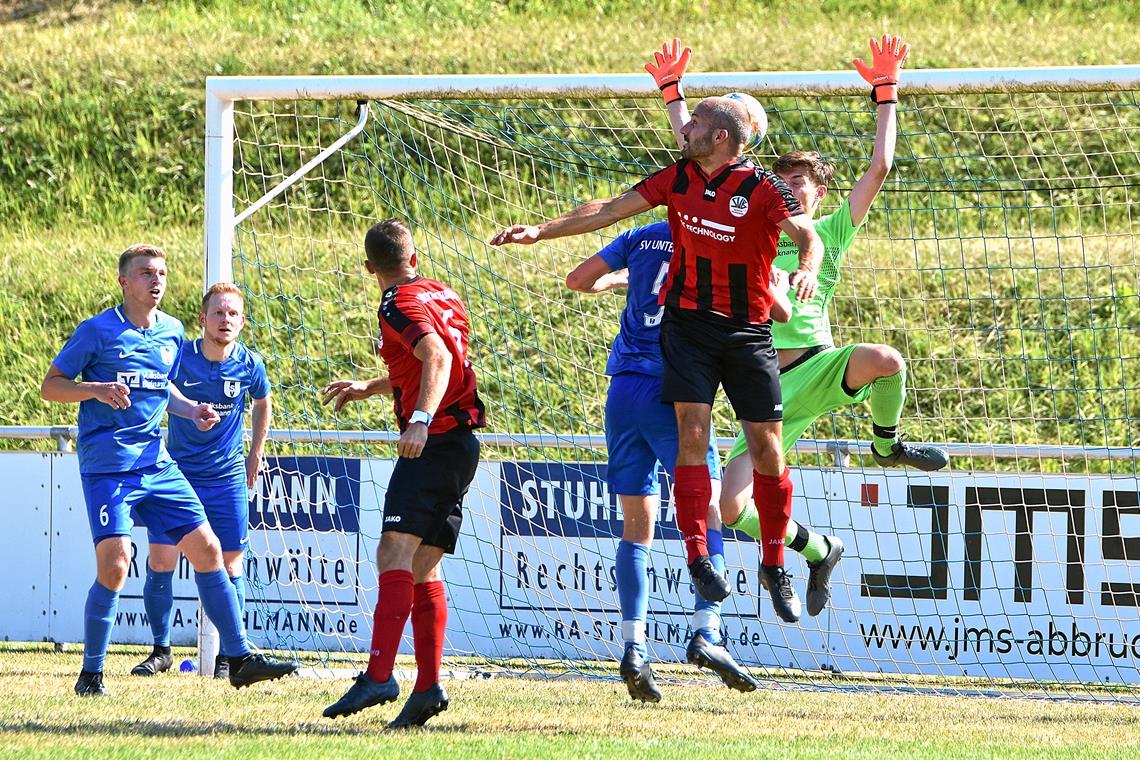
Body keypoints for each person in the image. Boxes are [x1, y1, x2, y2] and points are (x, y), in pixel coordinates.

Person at [492, 92, 823, 627]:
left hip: (747, 332)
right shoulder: (677, 178)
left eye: (693, 123)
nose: (683, 129)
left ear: (720, 138)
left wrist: (806, 266)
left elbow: (807, 234)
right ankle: (698, 556)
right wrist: (541, 230)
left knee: (767, 450)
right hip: (688, 328)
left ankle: (773, 565)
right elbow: (608, 209)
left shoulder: (763, 188)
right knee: (692, 433)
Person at [648, 34, 949, 619]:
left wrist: (885, 90)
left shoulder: (830, 232)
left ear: (820, 193)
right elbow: (698, 157)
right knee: (729, 507)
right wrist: (673, 95)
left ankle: (886, 445)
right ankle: (819, 549)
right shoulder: (756, 212)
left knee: (887, 359)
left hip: (818, 362)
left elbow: (880, 165)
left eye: (801, 182)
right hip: (761, 378)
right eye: (783, 178)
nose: (789, 187)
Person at [40, 243, 297, 696]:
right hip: (109, 467)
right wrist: (95, 389)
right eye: (145, 273)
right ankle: (91, 674)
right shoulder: (98, 331)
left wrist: (191, 409)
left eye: (161, 272)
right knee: (117, 565)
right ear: (125, 282)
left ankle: (237, 657)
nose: (156, 280)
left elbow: (163, 391)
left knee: (209, 551)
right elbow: (51, 387)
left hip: (157, 464)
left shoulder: (172, 331)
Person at [566, 226, 792, 699]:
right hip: (675, 391)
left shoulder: (640, 235)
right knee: (708, 507)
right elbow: (776, 310)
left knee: (636, 526)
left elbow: (578, 279)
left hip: (623, 389)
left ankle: (634, 647)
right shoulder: (720, 237)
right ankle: (707, 633)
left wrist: (625, 280)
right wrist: (782, 281)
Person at [320, 219, 486, 728]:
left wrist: (418, 420)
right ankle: (429, 686)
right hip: (461, 444)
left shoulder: (395, 304)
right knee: (422, 566)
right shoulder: (443, 292)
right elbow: (432, 360)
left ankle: (379, 676)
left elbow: (434, 356)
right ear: (414, 259)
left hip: (433, 443)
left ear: (369, 266)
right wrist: (371, 388)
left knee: (393, 550)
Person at [130, 282, 272, 679]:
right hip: (175, 475)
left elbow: (263, 402)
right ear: (203, 319)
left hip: (226, 479)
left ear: (242, 322)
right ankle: (161, 650)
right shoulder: (180, 356)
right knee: (161, 560)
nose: (225, 320)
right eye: (218, 312)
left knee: (230, 565)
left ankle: (232, 653)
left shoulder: (249, 364)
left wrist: (254, 452)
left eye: (233, 314)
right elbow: (158, 385)